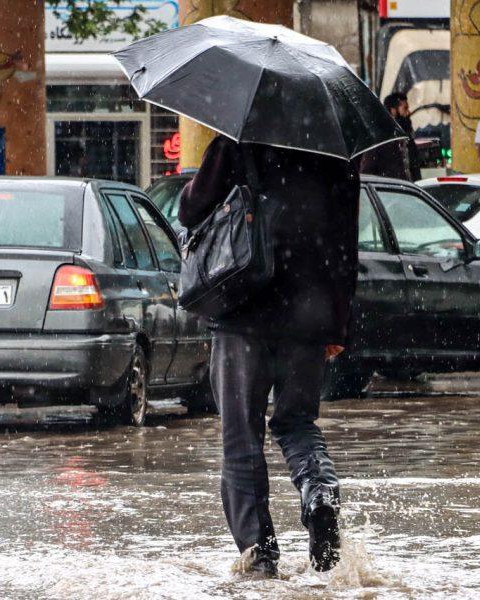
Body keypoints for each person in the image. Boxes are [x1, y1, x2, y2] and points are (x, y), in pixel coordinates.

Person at [179, 135, 359, 576]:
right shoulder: (336, 149)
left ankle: (260, 561)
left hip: (243, 311)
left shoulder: (236, 140)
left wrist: (197, 184)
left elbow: (190, 210)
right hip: (308, 317)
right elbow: (346, 243)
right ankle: (318, 491)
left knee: (241, 438)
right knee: (298, 422)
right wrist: (336, 323)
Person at [384, 92, 422, 181]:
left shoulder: (408, 138)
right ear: (393, 110)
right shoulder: (384, 139)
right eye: (405, 108)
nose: (408, 112)